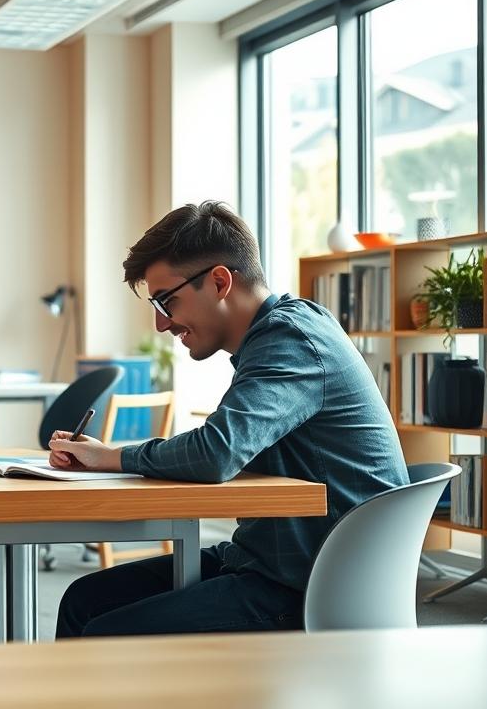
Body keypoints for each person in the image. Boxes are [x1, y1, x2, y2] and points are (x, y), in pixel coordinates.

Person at [48, 201, 407, 637]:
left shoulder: (291, 340)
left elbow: (217, 452)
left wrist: (113, 458)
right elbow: (224, 447)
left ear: (220, 281)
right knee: (83, 600)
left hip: (314, 586)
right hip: (268, 559)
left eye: (167, 301)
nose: (161, 324)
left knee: (106, 633)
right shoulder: (277, 335)